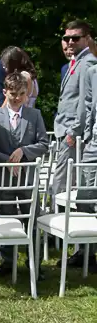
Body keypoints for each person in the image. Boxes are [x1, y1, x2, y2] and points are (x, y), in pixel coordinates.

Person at [0, 72, 48, 278]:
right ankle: (7, 262)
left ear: (27, 94)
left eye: (21, 94)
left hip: (28, 177)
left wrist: (24, 152)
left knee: (32, 218)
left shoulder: (34, 115)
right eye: (13, 94)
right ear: (5, 92)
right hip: (4, 177)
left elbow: (44, 143)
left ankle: (34, 264)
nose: (17, 98)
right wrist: (7, 161)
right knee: (7, 217)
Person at [52, 20, 97, 195]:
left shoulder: (87, 63)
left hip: (72, 133)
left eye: (75, 38)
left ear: (86, 39)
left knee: (62, 182)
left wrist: (74, 132)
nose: (70, 42)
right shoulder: (77, 61)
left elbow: (86, 103)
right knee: (65, 181)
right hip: (65, 130)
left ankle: (57, 219)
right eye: (67, 38)